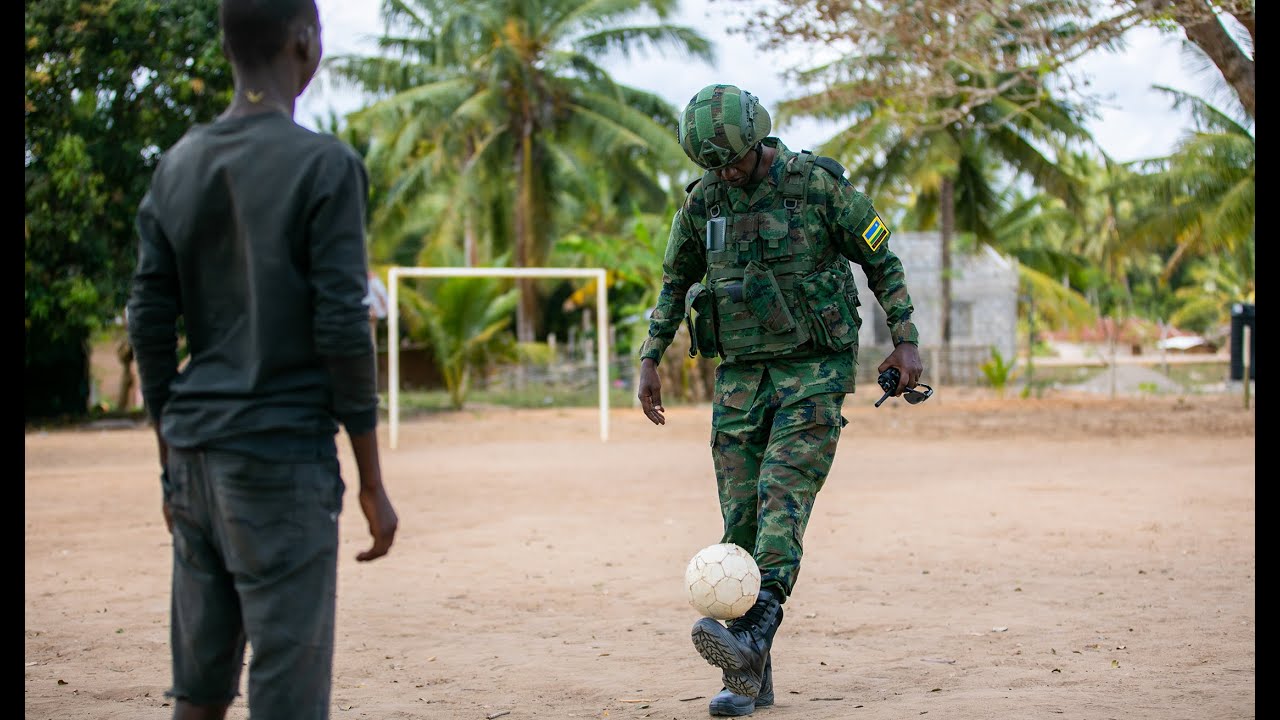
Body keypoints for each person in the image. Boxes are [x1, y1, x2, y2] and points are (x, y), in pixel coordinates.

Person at [125, 1, 399, 718]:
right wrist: (371, 480)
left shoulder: (176, 165)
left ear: (227, 48)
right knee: (286, 696)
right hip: (279, 462)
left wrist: (169, 456)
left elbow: (148, 322)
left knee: (200, 693)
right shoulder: (325, 164)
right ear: (305, 45)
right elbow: (344, 326)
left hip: (193, 458)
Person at [636, 83, 924, 717]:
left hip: (814, 372)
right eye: (715, 165)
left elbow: (884, 262)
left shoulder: (816, 186)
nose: (727, 173)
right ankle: (748, 676)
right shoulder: (704, 199)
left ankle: (750, 632)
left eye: (735, 160)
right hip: (740, 379)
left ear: (758, 137)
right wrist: (650, 356)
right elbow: (673, 280)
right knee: (738, 523)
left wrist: (905, 342)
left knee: (780, 501)